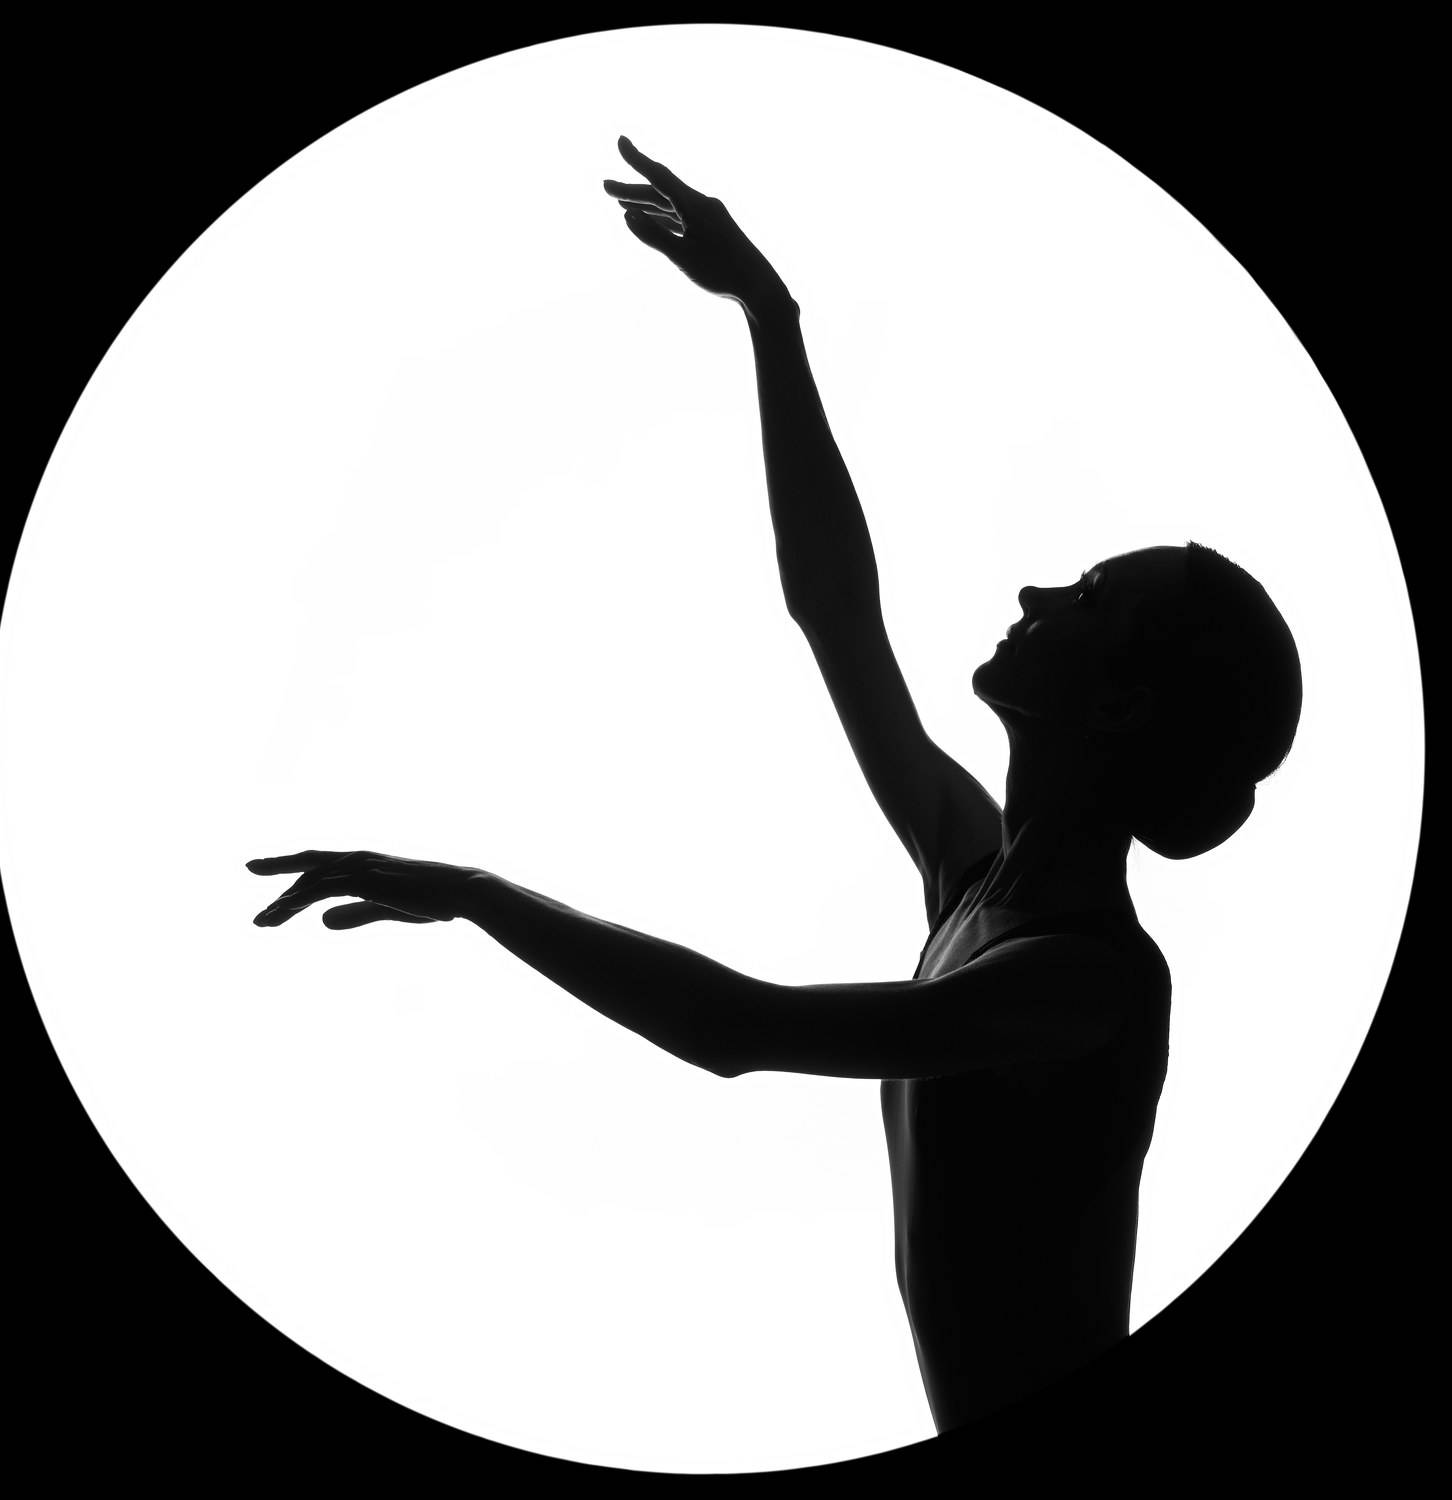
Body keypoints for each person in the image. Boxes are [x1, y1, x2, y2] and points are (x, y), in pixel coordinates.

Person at [248, 137, 1304, 1434]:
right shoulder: (974, 875)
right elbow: (837, 619)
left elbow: (733, 1028)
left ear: (1125, 702)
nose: (1037, 592)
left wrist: (474, 893)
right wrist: (770, 314)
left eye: (1087, 599)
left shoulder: (1089, 982)